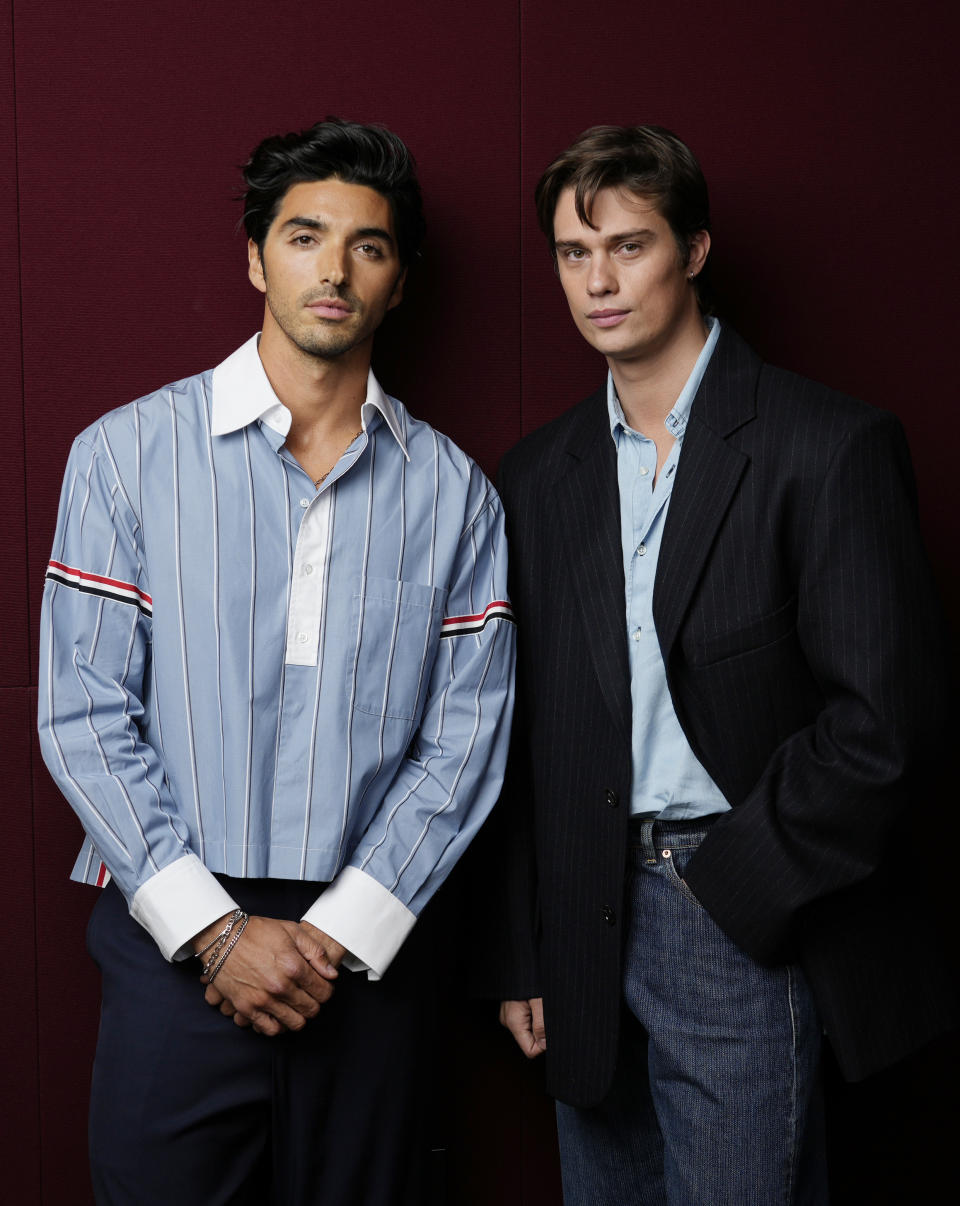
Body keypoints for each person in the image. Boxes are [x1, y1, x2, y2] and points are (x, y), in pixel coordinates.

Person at [39, 117, 515, 1206]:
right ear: (256, 257)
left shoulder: (455, 495)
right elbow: (82, 713)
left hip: (368, 954)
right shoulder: (125, 456)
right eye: (305, 236)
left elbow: (467, 740)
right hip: (171, 938)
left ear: (399, 283)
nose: (335, 270)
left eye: (370, 245)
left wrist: (336, 937)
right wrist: (213, 935)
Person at [492, 124, 956, 1203]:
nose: (598, 281)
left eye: (629, 245)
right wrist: (528, 951)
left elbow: (887, 721)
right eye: (573, 253)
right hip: (583, 926)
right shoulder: (534, 476)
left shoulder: (826, 445)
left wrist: (733, 889)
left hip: (742, 906)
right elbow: (525, 733)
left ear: (693, 249)